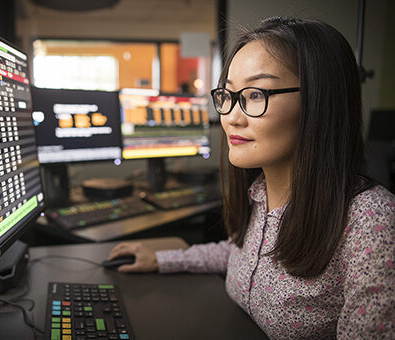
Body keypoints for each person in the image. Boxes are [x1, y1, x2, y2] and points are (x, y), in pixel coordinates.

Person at [108, 17, 395, 339]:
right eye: (228, 95)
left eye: (256, 94)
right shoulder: (260, 193)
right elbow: (239, 253)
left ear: (320, 101)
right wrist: (164, 259)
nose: (231, 117)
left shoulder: (371, 222)